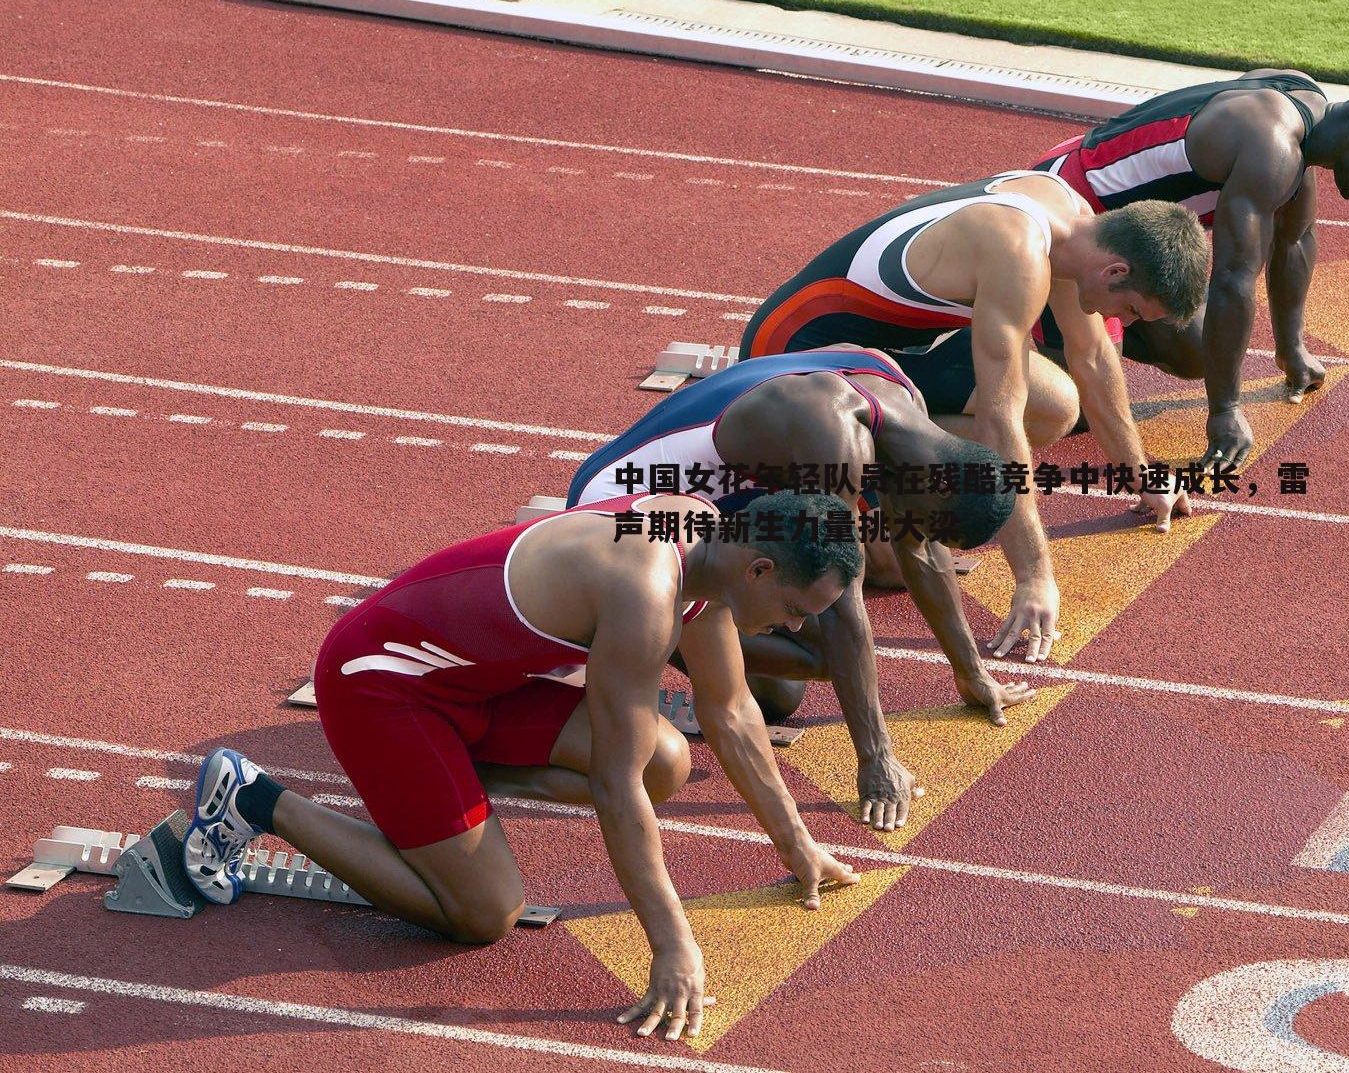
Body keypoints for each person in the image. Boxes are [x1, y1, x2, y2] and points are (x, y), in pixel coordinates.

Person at [183, 490, 863, 1043]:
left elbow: (734, 712)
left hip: (475, 689)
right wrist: (672, 946)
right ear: (761, 571)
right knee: (485, 912)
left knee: (667, 760)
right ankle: (255, 799)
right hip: (382, 684)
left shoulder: (710, 544)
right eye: (799, 612)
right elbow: (613, 786)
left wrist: (798, 847)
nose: (798, 630)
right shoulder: (646, 590)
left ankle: (435, 802)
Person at [740, 169, 1210, 661]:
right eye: (1131, 311)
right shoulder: (1019, 254)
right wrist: (1033, 577)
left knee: (1055, 406)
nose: (1126, 324)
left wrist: (1139, 475)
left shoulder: (1077, 225)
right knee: (892, 561)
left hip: (887, 347)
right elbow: (998, 420)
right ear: (1115, 272)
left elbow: (1092, 357)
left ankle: (884, 452)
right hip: (793, 352)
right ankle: (860, 460)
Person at [567, 345, 1034, 831]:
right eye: (931, 527)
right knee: (825, 654)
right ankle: (648, 638)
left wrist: (972, 674)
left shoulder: (904, 407)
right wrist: (876, 759)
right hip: (620, 510)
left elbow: (920, 550)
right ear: (935, 495)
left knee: (787, 689)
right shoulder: (835, 446)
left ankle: (680, 638)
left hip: (702, 503)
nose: (918, 540)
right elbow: (840, 605)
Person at [1034, 75, 1349, 468]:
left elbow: (1294, 237)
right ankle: (1009, 331)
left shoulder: (1305, 108)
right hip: (1070, 216)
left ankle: (1078, 329)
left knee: (1196, 349)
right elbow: (1232, 279)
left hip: (1112, 223)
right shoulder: (1271, 147)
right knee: (1077, 406)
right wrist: (1225, 410)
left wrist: (1291, 347)